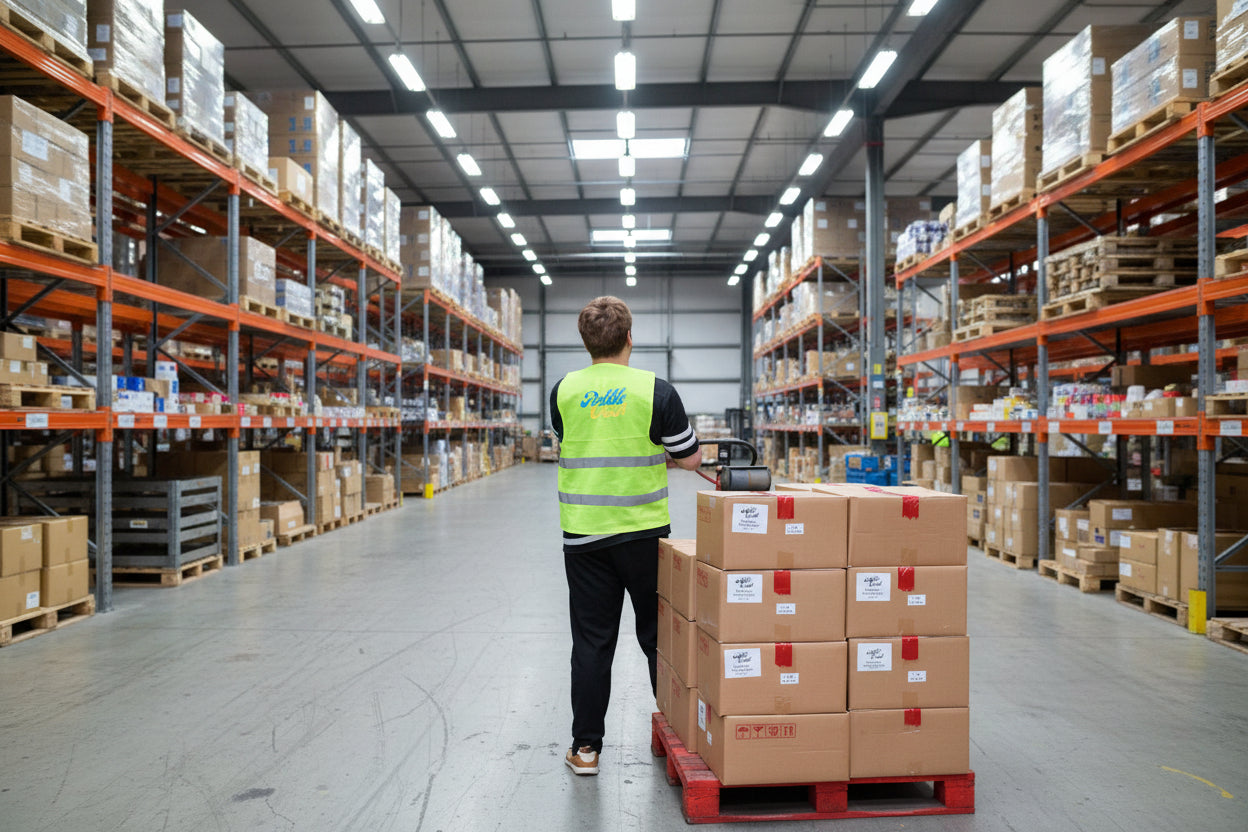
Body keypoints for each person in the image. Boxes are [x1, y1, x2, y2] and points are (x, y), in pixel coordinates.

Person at [550, 295, 701, 776]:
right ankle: (680, 732)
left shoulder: (563, 391)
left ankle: (586, 749)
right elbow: (691, 457)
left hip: (585, 538)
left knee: (592, 643)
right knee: (658, 636)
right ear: (630, 338)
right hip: (643, 536)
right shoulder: (655, 390)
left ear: (586, 341)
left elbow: (565, 441)